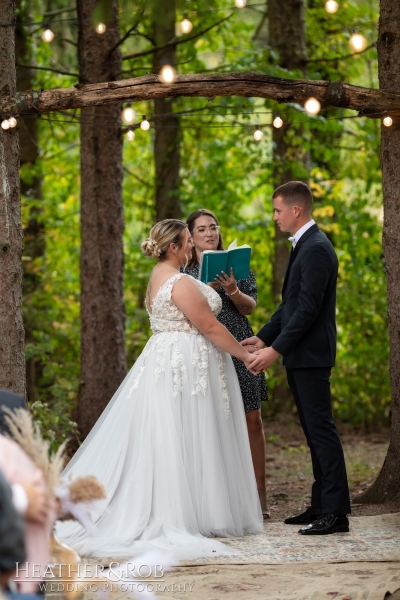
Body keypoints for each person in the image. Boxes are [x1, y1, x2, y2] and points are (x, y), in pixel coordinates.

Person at [57, 219, 263, 559]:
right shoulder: (180, 281)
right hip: (184, 363)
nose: (191, 247)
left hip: (169, 360)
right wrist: (244, 355)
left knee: (180, 436)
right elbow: (209, 326)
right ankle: (187, 513)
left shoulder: (157, 277)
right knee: (189, 435)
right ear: (173, 247)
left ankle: (197, 509)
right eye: (186, 242)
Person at [243, 181, 351, 535]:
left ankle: (335, 512)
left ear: (295, 210)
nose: (273, 217)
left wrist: (275, 351)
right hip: (301, 355)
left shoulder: (317, 248)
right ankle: (321, 504)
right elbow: (290, 306)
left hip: (311, 355)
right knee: (312, 432)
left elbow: (307, 311)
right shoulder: (304, 245)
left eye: (276, 210)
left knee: (321, 432)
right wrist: (263, 336)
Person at [183, 209, 269, 519]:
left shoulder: (237, 263)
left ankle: (259, 498)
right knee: (211, 423)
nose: (210, 233)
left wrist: (233, 288)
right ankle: (218, 500)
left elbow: (249, 307)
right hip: (205, 349)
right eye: (202, 229)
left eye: (214, 227)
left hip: (241, 345)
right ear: (190, 237)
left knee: (252, 420)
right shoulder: (182, 271)